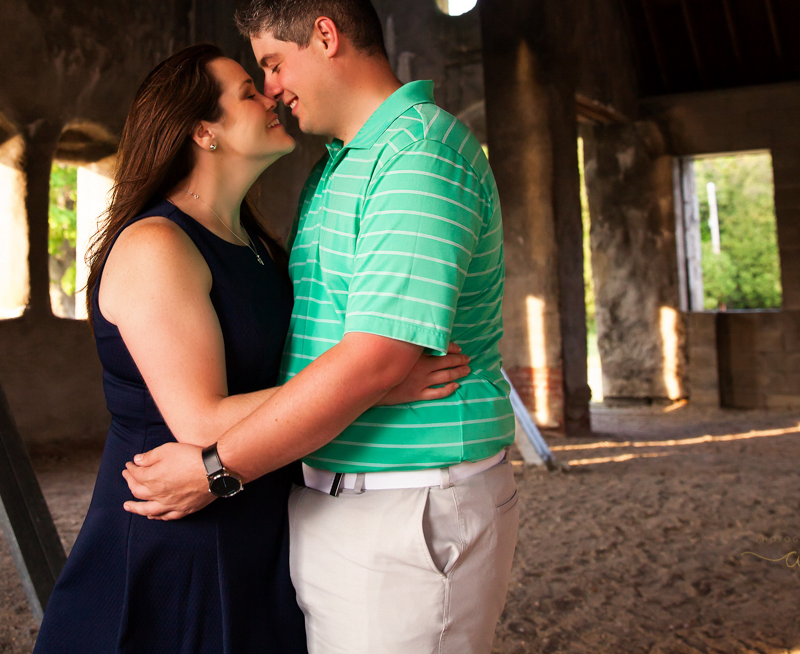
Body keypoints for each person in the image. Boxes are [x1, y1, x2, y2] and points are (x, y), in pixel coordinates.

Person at [122, 0, 520, 654]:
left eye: (273, 63)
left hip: (407, 504)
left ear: (326, 36)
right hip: (330, 500)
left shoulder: (417, 154)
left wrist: (217, 469)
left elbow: (373, 361)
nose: (272, 90)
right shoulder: (338, 166)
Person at [31, 42, 472, 654]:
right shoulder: (156, 246)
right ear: (202, 132)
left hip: (257, 520)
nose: (271, 96)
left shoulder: (256, 243)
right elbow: (198, 420)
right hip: (179, 538)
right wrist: (379, 384)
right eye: (248, 91)